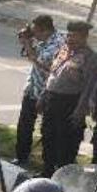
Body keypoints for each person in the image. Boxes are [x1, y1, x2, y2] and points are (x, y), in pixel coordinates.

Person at [39, 21, 97, 176]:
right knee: (48, 137)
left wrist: (80, 112)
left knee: (65, 143)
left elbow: (89, 88)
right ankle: (46, 171)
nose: (69, 38)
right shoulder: (63, 51)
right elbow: (52, 75)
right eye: (68, 35)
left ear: (84, 37)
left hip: (70, 104)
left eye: (74, 36)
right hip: (52, 100)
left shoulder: (90, 58)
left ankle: (61, 176)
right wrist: (43, 95)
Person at [13, 15, 63, 166]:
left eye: (36, 32)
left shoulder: (57, 44)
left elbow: (39, 61)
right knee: (24, 124)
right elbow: (32, 55)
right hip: (32, 88)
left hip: (47, 92)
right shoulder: (44, 40)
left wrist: (28, 44)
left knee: (48, 130)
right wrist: (26, 41)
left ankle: (49, 164)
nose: (34, 35)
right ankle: (21, 156)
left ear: (45, 30)